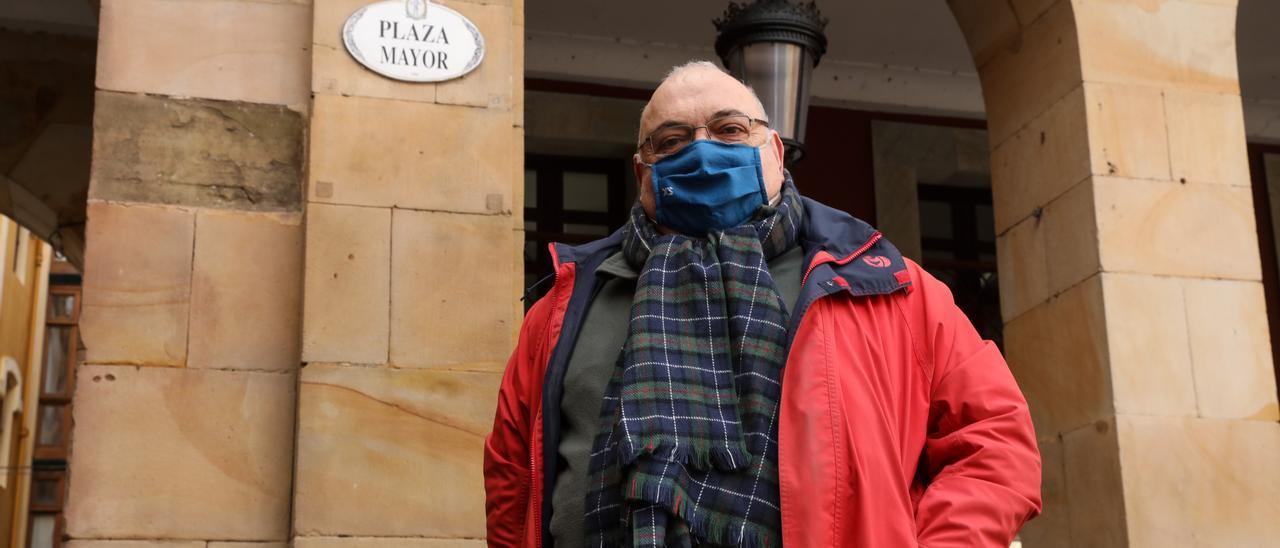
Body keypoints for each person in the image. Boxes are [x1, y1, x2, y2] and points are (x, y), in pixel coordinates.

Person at [484, 61, 1041, 547]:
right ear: (642, 173)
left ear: (775, 151)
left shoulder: (895, 289)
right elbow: (512, 479)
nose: (701, 152)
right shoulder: (566, 304)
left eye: (730, 130)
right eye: (671, 141)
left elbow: (994, 445)